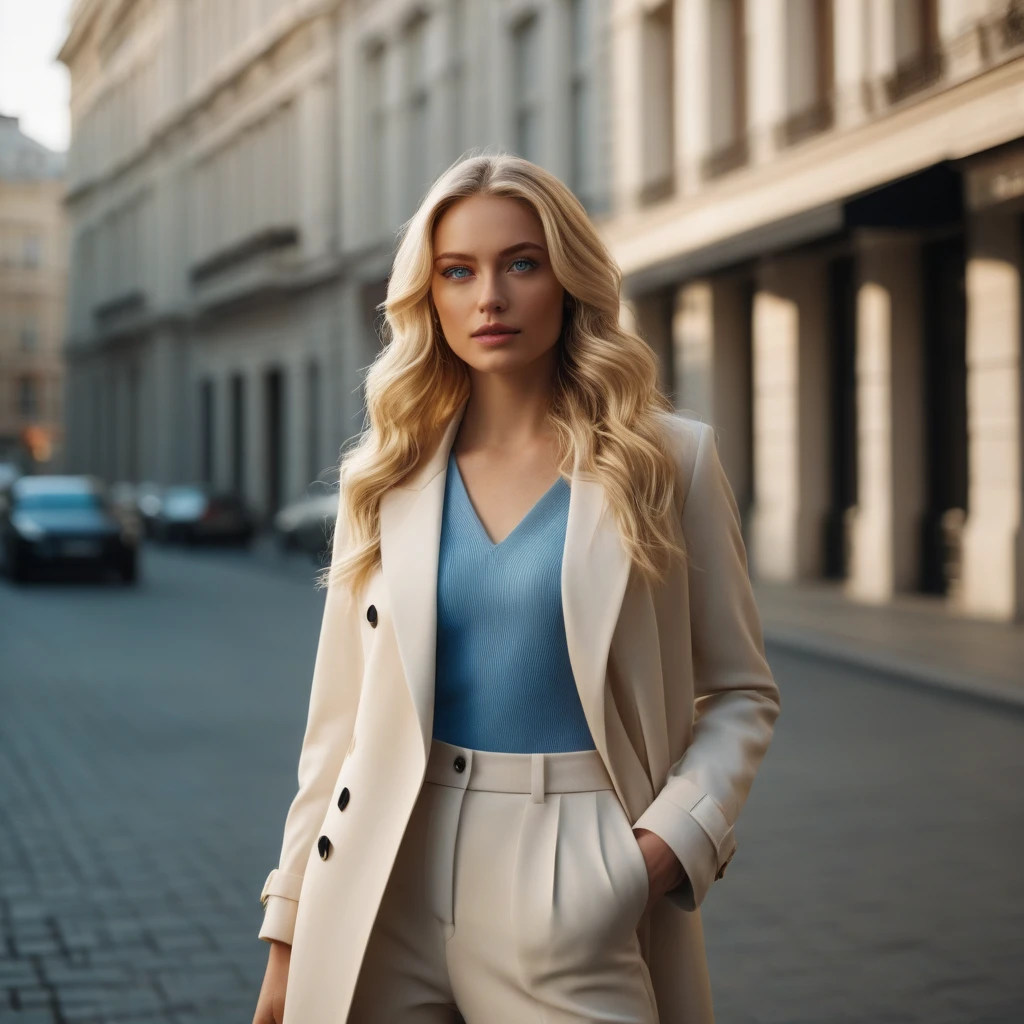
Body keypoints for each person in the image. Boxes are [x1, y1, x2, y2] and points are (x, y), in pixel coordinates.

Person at [252, 151, 781, 1024]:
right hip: (381, 876)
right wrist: (289, 930)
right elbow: (336, 728)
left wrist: (658, 849)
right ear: (430, 296)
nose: (488, 297)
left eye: (520, 264)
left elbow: (740, 690)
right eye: (458, 272)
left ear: (568, 278)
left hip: (573, 871)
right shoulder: (382, 478)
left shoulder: (666, 461)